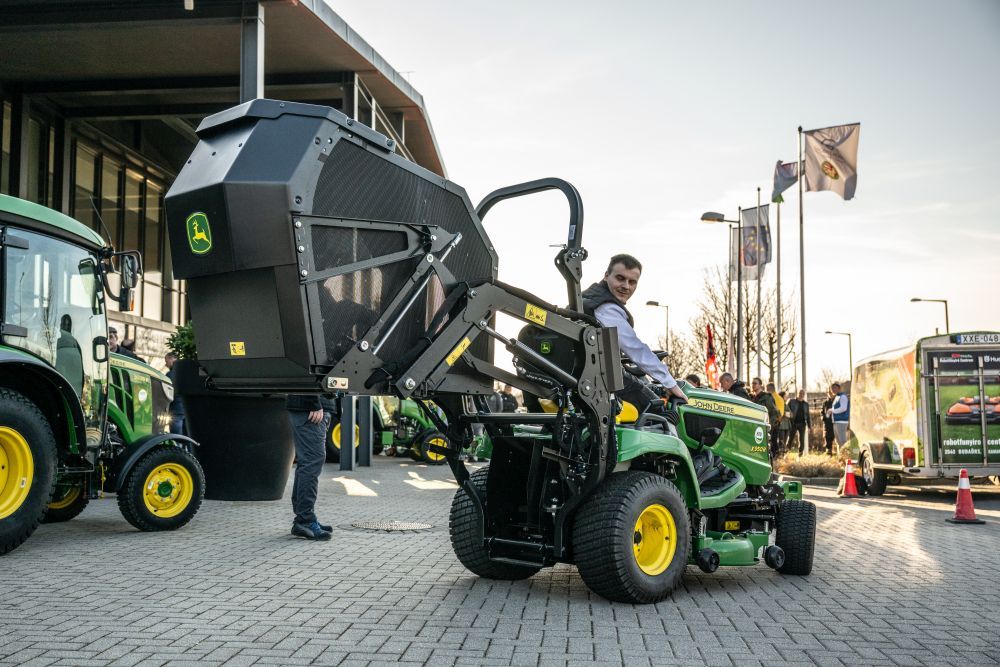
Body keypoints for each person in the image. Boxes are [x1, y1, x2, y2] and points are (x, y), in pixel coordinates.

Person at [581, 254, 686, 409]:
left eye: (632, 282)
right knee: (658, 409)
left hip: (589, 375)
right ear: (606, 276)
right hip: (598, 379)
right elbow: (634, 348)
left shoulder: (591, 297)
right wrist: (670, 383)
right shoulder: (605, 307)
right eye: (620, 278)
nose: (626, 286)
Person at [286, 393, 336, 541]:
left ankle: (303, 518)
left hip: (315, 407)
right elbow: (307, 373)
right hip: (310, 408)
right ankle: (305, 520)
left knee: (307, 463)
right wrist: (312, 402)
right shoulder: (311, 403)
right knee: (311, 463)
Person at [750, 377, 779, 458]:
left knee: (766, 451)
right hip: (754, 428)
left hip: (764, 428)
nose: (753, 385)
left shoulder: (766, 397)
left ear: (760, 385)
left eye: (755, 383)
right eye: (752, 383)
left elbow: (773, 413)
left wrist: (769, 426)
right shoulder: (752, 398)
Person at [164, 352, 185, 435]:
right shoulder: (185, 372)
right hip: (186, 409)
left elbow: (167, 393)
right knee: (188, 440)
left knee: (177, 439)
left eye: (166, 361)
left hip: (176, 410)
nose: (166, 364)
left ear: (172, 359)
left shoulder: (170, 375)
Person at [827, 382, 850, 450]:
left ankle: (846, 458)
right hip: (836, 421)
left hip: (841, 421)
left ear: (839, 388)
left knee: (843, 441)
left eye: (835, 388)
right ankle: (841, 458)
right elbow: (835, 409)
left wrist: (832, 411)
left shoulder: (843, 396)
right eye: (832, 389)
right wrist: (830, 411)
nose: (833, 390)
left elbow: (843, 408)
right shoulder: (837, 397)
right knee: (838, 442)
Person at [787, 389, 810, 455]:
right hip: (793, 423)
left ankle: (800, 453)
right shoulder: (792, 401)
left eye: (803, 393)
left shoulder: (806, 404)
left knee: (802, 440)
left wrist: (809, 425)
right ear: (797, 393)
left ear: (804, 395)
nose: (801, 395)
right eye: (800, 393)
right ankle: (787, 451)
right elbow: (787, 410)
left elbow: (808, 415)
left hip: (802, 424)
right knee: (790, 438)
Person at [767, 382, 784, 453]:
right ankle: (777, 454)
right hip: (779, 421)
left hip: (772, 421)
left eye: (766, 388)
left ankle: (774, 454)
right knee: (775, 439)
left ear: (769, 389)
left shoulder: (770, 397)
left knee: (770, 439)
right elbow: (781, 411)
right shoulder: (780, 398)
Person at [821, 388, 836, 454]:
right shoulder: (825, 403)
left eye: (831, 392)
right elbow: (822, 412)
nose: (829, 393)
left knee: (833, 437)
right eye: (828, 392)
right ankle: (829, 452)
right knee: (827, 437)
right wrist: (823, 418)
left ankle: (836, 452)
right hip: (827, 423)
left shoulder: (836, 401)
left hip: (835, 422)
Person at [777, 391, 792, 455]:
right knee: (781, 441)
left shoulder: (786, 404)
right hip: (781, 426)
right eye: (786, 396)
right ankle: (780, 454)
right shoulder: (778, 404)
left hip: (787, 426)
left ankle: (783, 454)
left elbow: (791, 414)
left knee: (785, 442)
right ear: (782, 397)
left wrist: (788, 414)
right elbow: (778, 414)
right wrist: (783, 414)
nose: (787, 397)